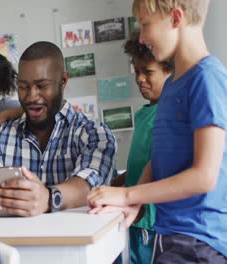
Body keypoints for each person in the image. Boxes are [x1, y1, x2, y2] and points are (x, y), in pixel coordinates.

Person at [87, 0, 227, 262]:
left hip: (199, 242)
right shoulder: (173, 86)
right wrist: (134, 201)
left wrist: (128, 193)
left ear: (175, 18)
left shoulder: (207, 79)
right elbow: (160, 158)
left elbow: (204, 177)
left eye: (145, 24)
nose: (142, 36)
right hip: (169, 235)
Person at [0, 41, 117, 218]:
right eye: (23, 87)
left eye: (42, 86)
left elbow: (90, 184)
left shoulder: (93, 133)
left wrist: (49, 198)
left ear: (63, 81)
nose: (31, 96)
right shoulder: (1, 134)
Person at [111, 30, 174, 264]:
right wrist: (115, 184)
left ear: (170, 71)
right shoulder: (144, 114)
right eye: (136, 71)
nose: (139, 79)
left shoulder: (170, 114)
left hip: (152, 221)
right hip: (134, 219)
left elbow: (158, 164)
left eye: (148, 72)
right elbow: (140, 165)